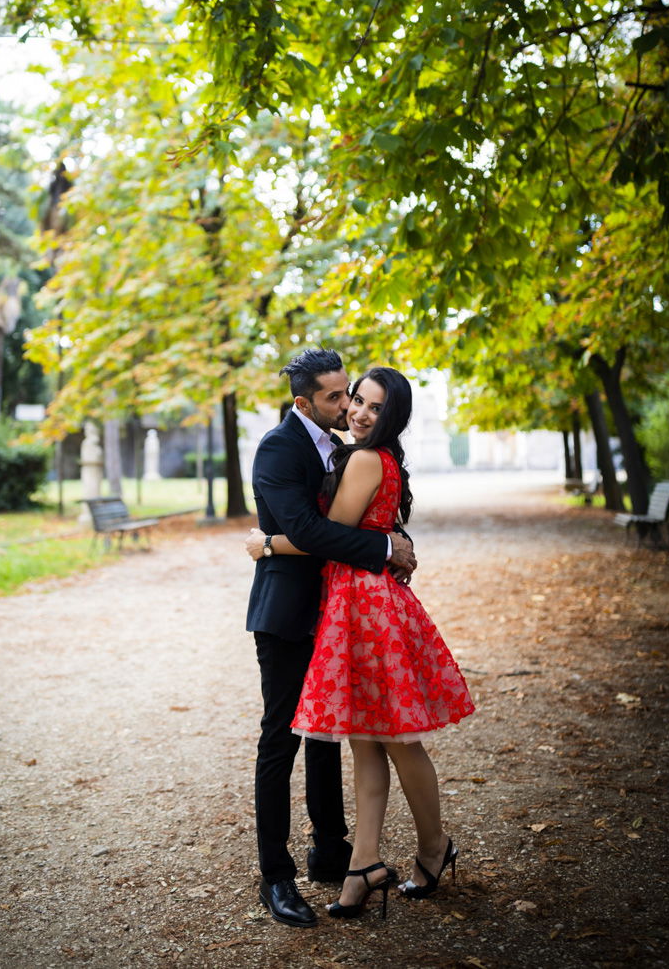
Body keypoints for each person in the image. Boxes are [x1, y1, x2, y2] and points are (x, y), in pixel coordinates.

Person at [247, 366, 474, 922]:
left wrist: (268, 543)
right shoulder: (339, 452)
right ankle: (360, 866)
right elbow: (359, 527)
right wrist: (387, 543)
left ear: (391, 416)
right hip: (349, 605)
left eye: (370, 404)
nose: (356, 409)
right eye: (352, 399)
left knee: (393, 739)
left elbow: (325, 533)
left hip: (361, 608)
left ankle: (431, 847)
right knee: (366, 741)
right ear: (309, 400)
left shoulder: (365, 457)